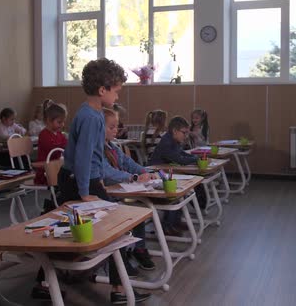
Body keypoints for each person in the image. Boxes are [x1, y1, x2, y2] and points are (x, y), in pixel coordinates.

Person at [56, 58, 151, 304]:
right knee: (106, 228)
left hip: (85, 179)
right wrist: (86, 191)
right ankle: (119, 290)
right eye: (117, 91)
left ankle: (47, 282)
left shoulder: (94, 114)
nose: (118, 97)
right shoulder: (91, 117)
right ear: (102, 90)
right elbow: (84, 158)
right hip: (81, 180)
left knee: (94, 229)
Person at [102, 108, 156, 270]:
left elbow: (127, 162)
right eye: (111, 127)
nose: (115, 130)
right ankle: (121, 258)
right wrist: (133, 178)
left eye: (116, 126)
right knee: (125, 216)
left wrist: (144, 171)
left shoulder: (111, 146)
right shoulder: (96, 148)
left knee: (137, 212)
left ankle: (139, 248)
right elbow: (106, 173)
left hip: (115, 192)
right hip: (103, 196)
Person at [148, 116, 207, 236]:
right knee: (176, 192)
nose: (186, 136)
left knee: (182, 190)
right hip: (156, 174)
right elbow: (179, 159)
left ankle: (175, 222)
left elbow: (182, 154)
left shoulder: (173, 140)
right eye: (184, 133)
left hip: (164, 172)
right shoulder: (167, 142)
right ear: (175, 131)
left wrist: (197, 158)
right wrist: (196, 159)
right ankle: (167, 226)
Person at [34, 99, 67, 185]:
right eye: (59, 122)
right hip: (45, 172)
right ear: (48, 120)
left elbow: (66, 145)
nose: (62, 125)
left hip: (56, 168)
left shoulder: (59, 134)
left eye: (63, 122)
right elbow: (53, 149)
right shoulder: (43, 135)